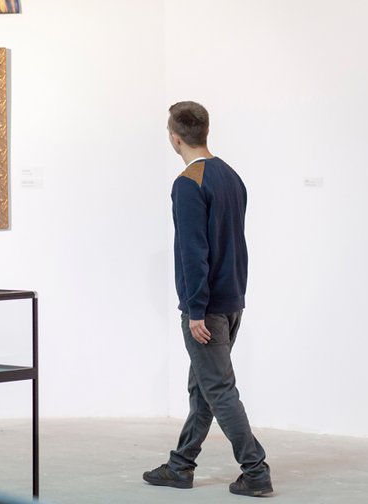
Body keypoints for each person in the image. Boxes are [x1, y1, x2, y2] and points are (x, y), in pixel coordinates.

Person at [143, 101, 272, 497]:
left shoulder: (188, 183)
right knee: (202, 388)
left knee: (218, 390)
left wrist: (196, 309)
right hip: (232, 301)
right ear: (205, 131)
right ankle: (180, 465)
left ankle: (256, 470)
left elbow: (193, 253)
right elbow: (234, 244)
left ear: (174, 137)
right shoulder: (231, 176)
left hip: (208, 308)